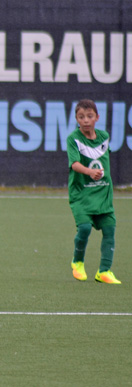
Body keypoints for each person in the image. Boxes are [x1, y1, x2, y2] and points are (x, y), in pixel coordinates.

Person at [67, 99, 120, 284]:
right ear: (76, 119)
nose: (86, 120)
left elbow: (104, 159)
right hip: (81, 194)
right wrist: (90, 172)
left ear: (97, 117)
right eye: (81, 117)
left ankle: (104, 271)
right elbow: (74, 165)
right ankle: (78, 262)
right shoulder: (73, 139)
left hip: (103, 194)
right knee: (84, 228)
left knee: (109, 230)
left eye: (90, 116)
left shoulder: (104, 136)